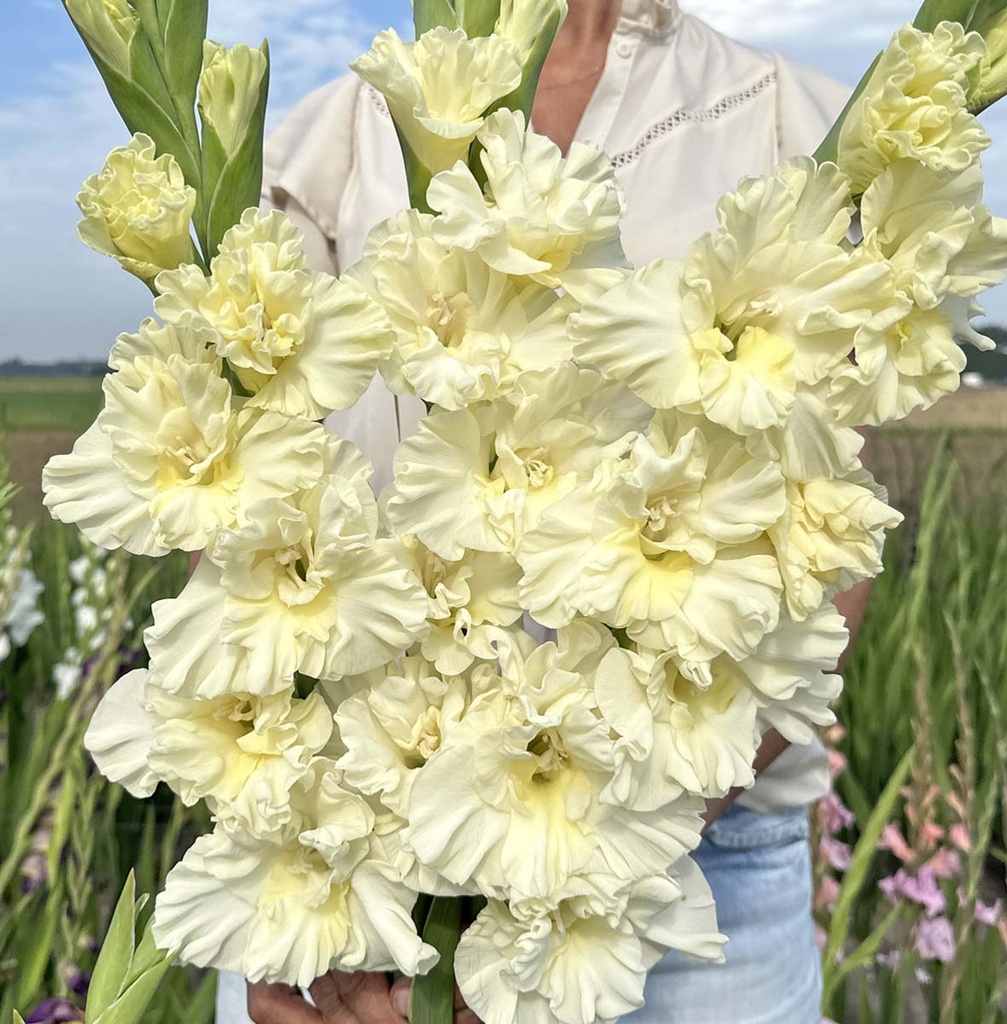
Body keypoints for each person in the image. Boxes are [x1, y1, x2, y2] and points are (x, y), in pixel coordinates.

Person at [217, 1, 872, 1021]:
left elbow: (832, 543)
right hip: (348, 869)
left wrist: (572, 854)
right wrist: (290, 874)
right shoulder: (325, 145)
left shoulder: (788, 126)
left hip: (686, 872)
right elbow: (246, 526)